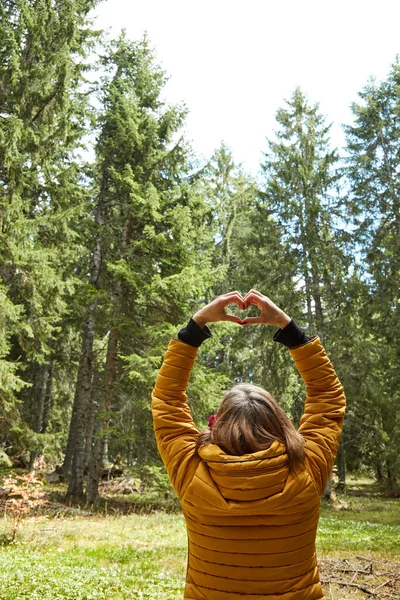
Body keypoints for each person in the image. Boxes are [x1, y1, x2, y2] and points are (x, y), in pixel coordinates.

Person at [152, 289, 346, 600]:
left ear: (220, 422)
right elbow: (328, 398)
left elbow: (166, 402)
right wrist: (289, 328)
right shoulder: (307, 467)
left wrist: (196, 326)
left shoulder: (191, 472)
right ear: (279, 422)